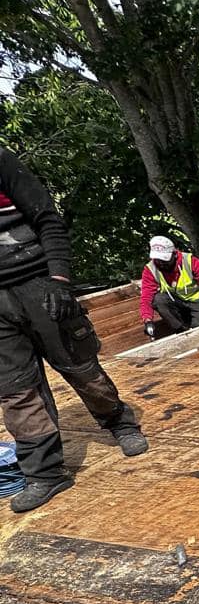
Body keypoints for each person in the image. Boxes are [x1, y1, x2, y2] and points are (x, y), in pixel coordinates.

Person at [0, 148, 148, 514]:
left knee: (80, 366)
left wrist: (60, 281)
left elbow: (48, 220)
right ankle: (46, 474)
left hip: (37, 284)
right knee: (15, 390)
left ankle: (118, 422)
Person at [140, 235, 199, 338]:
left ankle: (195, 325)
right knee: (159, 299)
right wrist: (148, 320)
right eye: (158, 260)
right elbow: (146, 298)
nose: (161, 264)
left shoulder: (190, 262)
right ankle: (181, 330)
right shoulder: (151, 269)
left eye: (164, 260)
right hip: (177, 303)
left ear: (174, 254)